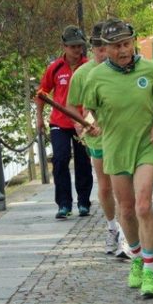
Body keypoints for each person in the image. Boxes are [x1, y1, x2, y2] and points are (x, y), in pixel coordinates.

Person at [83, 18, 153, 298]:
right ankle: (135, 256)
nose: (122, 50)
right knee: (127, 209)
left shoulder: (150, 69)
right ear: (104, 49)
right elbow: (89, 111)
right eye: (115, 46)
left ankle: (150, 269)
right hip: (116, 147)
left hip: (147, 143)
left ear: (133, 42)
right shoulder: (96, 77)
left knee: (144, 205)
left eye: (126, 44)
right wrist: (90, 123)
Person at [66, 22, 125, 257]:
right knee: (105, 185)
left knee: (123, 190)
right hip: (97, 140)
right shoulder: (82, 74)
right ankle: (112, 227)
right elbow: (72, 105)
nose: (102, 54)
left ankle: (126, 235)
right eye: (98, 49)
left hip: (122, 137)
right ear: (92, 50)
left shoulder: (124, 71)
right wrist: (80, 124)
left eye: (106, 48)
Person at [36, 25, 93, 219]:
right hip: (59, 122)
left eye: (79, 46)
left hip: (81, 122)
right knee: (60, 160)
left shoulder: (88, 67)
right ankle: (64, 204)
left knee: (83, 162)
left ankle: (84, 202)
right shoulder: (55, 68)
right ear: (64, 47)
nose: (77, 50)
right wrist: (38, 118)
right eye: (73, 46)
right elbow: (41, 93)